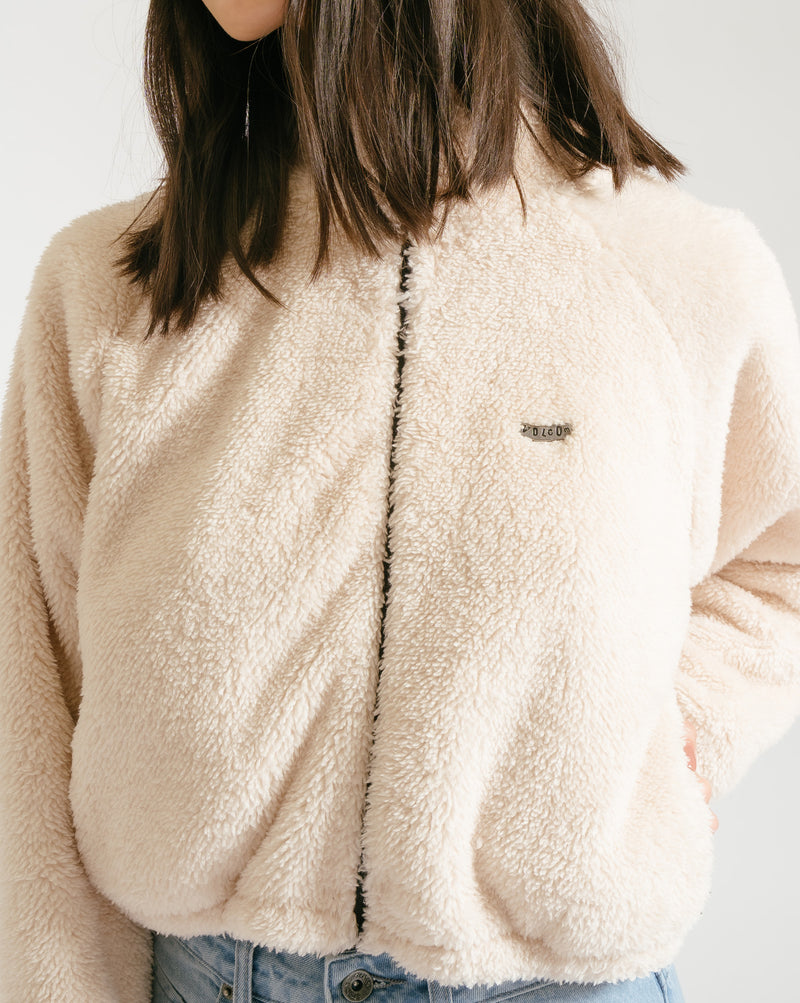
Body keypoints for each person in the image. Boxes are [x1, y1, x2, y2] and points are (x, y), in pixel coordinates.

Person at [1, 0, 799, 999]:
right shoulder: (120, 285)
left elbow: (778, 561)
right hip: (211, 975)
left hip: (550, 983)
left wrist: (684, 736)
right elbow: (32, 682)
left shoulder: (679, 275)